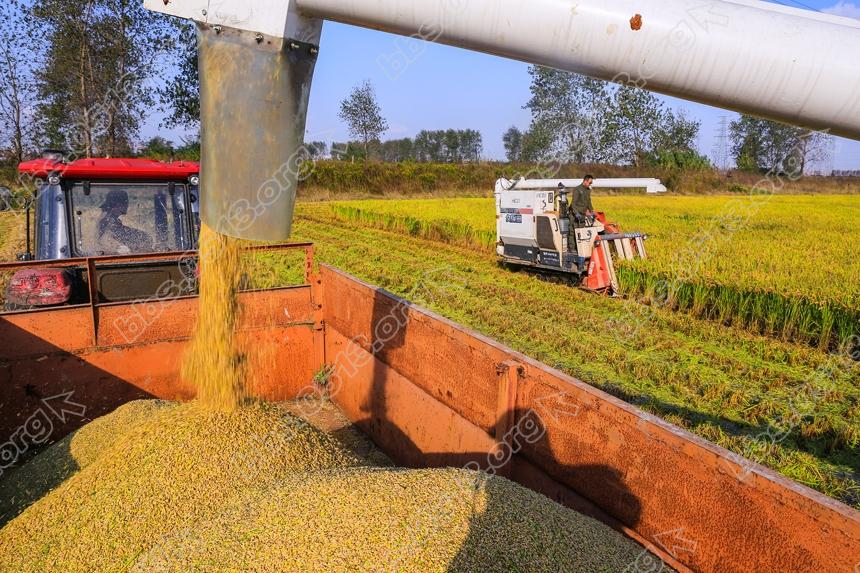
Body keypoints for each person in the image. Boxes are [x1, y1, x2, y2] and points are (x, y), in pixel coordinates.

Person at [97, 189, 152, 254]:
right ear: (118, 205)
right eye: (126, 203)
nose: (127, 206)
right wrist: (144, 237)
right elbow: (109, 238)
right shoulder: (108, 220)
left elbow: (120, 232)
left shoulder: (107, 217)